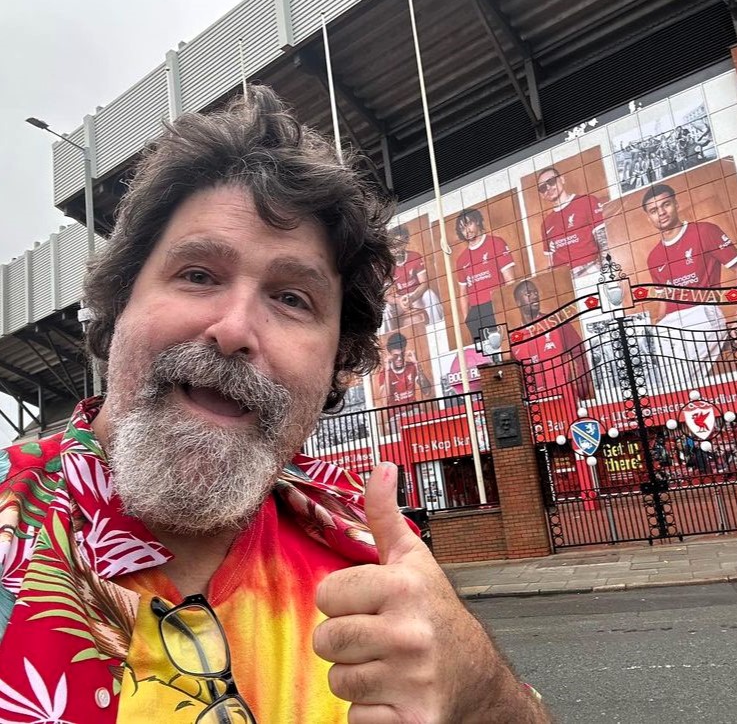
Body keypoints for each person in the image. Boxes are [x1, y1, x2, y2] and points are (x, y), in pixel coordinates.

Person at [0, 87, 549, 723]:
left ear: (337, 361)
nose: (234, 330)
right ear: (120, 304)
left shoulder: (373, 559)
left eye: (292, 298)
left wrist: (481, 693)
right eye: (198, 274)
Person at [642, 183, 737, 372]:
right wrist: (657, 325)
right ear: (649, 217)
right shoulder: (653, 257)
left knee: (681, 379)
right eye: (653, 210)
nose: (661, 212)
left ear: (676, 204)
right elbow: (664, 300)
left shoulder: (705, 231)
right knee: (657, 377)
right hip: (670, 324)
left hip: (703, 314)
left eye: (665, 204)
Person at [511, 280, 588, 403]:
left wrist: (582, 387)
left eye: (535, 292)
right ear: (518, 302)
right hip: (536, 405)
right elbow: (515, 377)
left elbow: (580, 353)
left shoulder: (556, 322)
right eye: (529, 294)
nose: (535, 295)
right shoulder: (515, 339)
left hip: (565, 398)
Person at [454, 207, 516, 343]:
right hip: (477, 313)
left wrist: (509, 309)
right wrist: (467, 318)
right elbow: (463, 293)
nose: (467, 230)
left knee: (505, 349)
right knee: (488, 358)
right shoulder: (461, 260)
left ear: (477, 222)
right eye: (462, 228)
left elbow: (510, 281)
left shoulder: (496, 243)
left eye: (469, 224)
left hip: (497, 305)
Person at [536, 166, 607, 279]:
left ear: (562, 179)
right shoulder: (546, 224)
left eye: (551, 181)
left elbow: (605, 244)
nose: (548, 188)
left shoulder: (587, 202)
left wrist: (601, 271)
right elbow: (550, 262)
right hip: (565, 280)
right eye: (543, 187)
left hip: (592, 271)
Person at [381, 224, 444, 332]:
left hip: (417, 295)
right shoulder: (387, 265)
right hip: (400, 299)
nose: (396, 249)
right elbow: (386, 295)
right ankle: (387, 340)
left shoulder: (415, 256)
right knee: (385, 310)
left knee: (430, 295)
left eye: (399, 244)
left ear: (405, 242)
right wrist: (399, 300)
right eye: (392, 246)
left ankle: (439, 329)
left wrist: (413, 297)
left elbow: (424, 283)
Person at [378, 331, 432, 405]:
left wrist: (417, 364)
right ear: (390, 355)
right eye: (395, 356)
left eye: (402, 354)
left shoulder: (411, 366)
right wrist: (387, 370)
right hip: (396, 415)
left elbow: (427, 392)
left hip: (414, 412)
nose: (399, 358)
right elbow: (385, 402)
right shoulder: (384, 372)